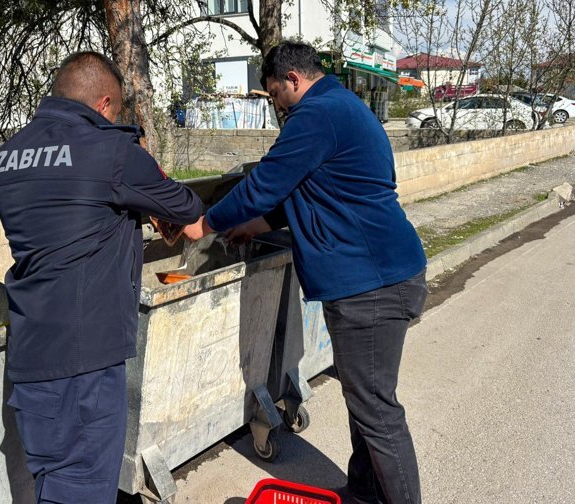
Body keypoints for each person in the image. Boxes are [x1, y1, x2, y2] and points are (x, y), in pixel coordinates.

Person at [183, 41, 428, 504]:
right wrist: (256, 225)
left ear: (292, 80)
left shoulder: (316, 115)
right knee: (364, 403)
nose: (277, 107)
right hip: (378, 275)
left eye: (276, 95)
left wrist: (206, 221)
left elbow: (267, 181)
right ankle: (363, 493)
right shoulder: (343, 106)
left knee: (377, 412)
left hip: (370, 284)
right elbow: (318, 189)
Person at [0, 52, 203, 503]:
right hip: (85, 364)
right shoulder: (111, 151)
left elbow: (69, 215)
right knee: (83, 489)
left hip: (32, 356)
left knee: (52, 481)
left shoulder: (8, 157)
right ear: (105, 104)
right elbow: (186, 208)